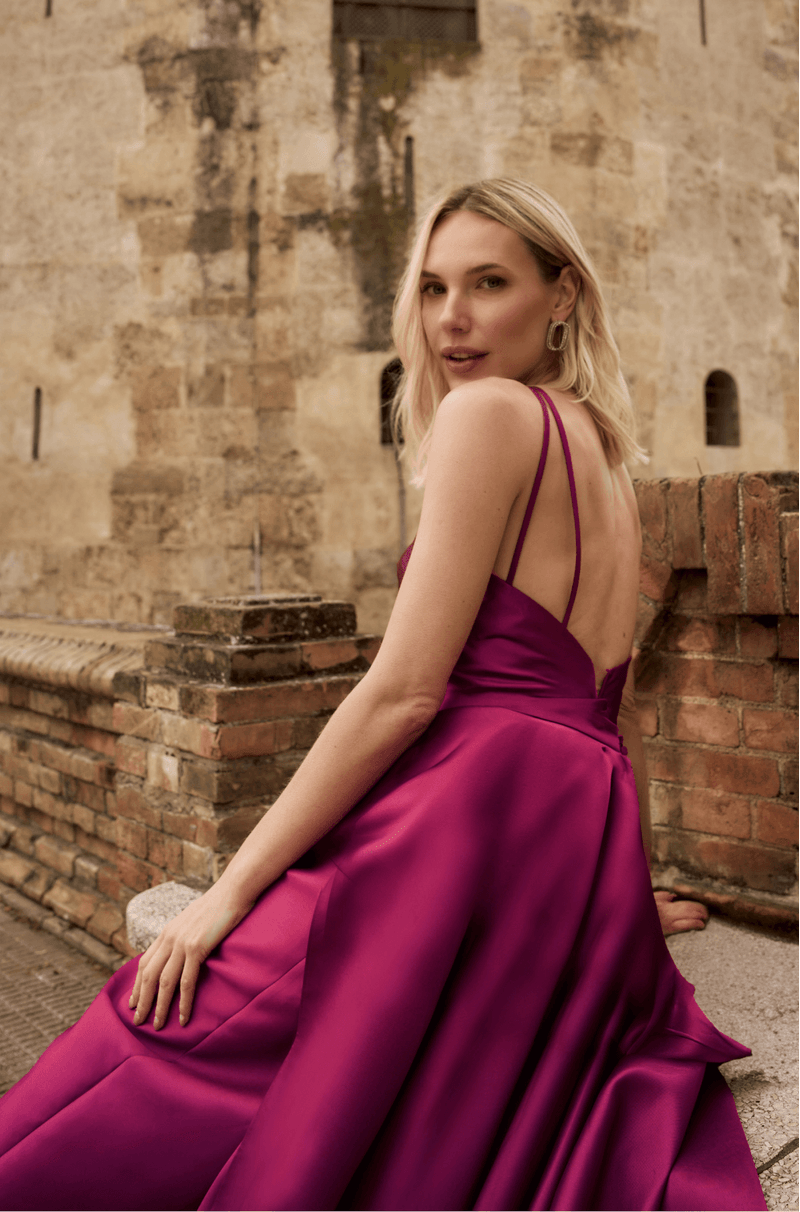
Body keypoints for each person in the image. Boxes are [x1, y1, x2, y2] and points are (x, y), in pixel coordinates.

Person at [0, 178, 761, 1211]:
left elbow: (402, 694)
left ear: (562, 295)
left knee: (163, 1029)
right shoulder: (602, 452)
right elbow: (592, 716)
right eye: (433, 288)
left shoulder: (488, 414)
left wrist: (226, 892)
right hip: (561, 826)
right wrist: (605, 901)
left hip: (455, 819)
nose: (451, 319)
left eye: (488, 283)